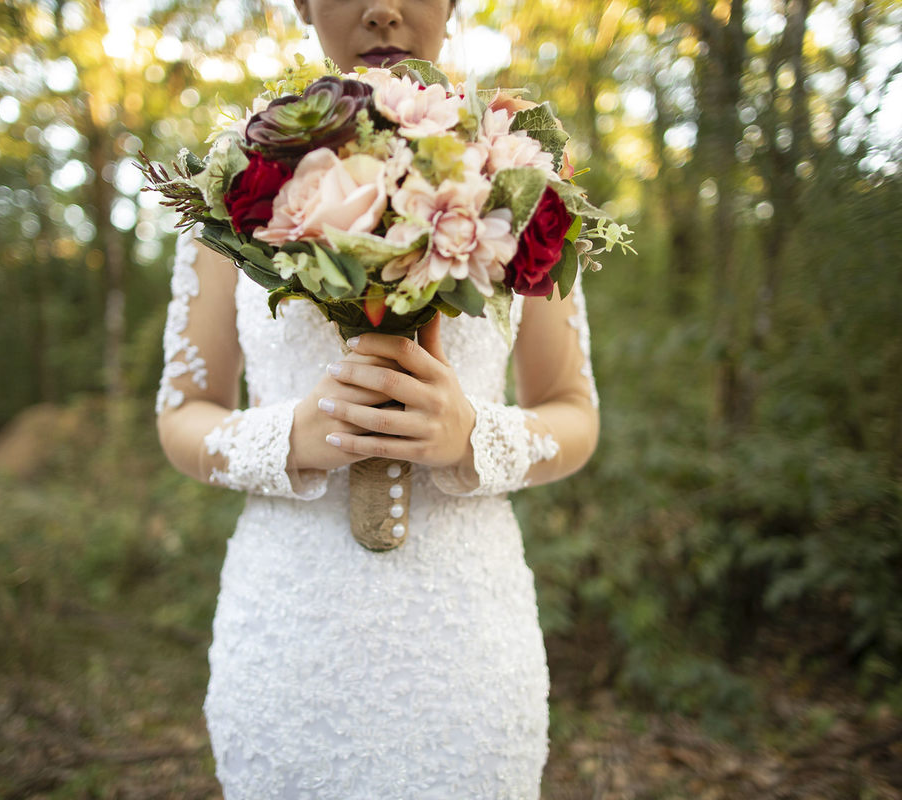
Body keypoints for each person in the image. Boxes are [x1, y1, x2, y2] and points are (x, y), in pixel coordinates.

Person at [155, 0, 601, 796]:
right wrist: (290, 435)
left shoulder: (517, 169)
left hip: (466, 642)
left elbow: (573, 410)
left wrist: (473, 436)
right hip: (290, 637)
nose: (384, 9)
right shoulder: (233, 183)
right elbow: (183, 416)